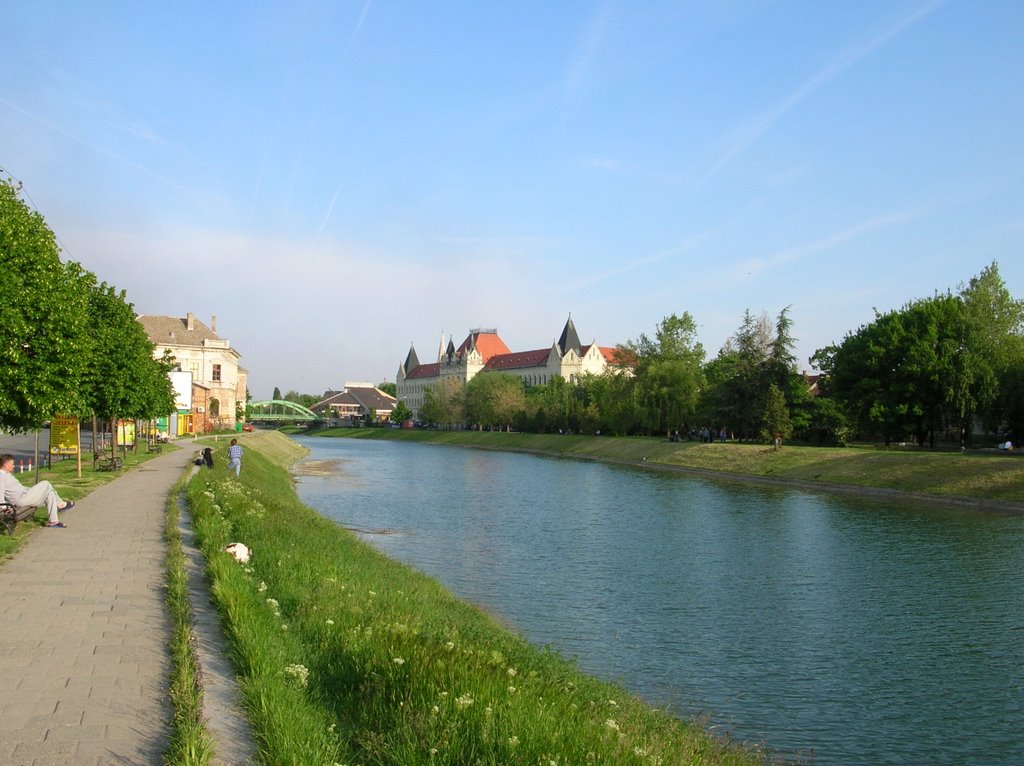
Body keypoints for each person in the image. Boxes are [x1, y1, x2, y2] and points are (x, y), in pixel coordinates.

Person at [0, 453, 75, 528]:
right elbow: (0, 492)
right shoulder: (1, 477)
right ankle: (61, 504)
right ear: (6, 465)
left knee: (50, 493)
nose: (14, 466)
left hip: (25, 495)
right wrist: (3, 507)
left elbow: (19, 488)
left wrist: (31, 490)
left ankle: (53, 521)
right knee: (46, 483)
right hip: (21, 500)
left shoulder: (7, 474)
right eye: (12, 464)